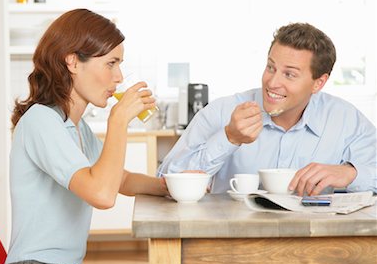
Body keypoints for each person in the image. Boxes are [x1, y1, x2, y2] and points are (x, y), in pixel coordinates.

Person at [0, 9, 168, 264]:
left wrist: (165, 187)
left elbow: (117, 179)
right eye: (111, 63)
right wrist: (119, 120)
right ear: (73, 62)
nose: (119, 76)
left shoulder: (75, 127)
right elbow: (102, 194)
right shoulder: (41, 120)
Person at [158, 22, 376, 196]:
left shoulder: (345, 120)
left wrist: (351, 173)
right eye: (271, 67)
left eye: (289, 74)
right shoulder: (222, 112)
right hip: (229, 243)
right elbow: (166, 181)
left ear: (318, 83)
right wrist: (228, 138)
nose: (272, 82)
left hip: (317, 245)